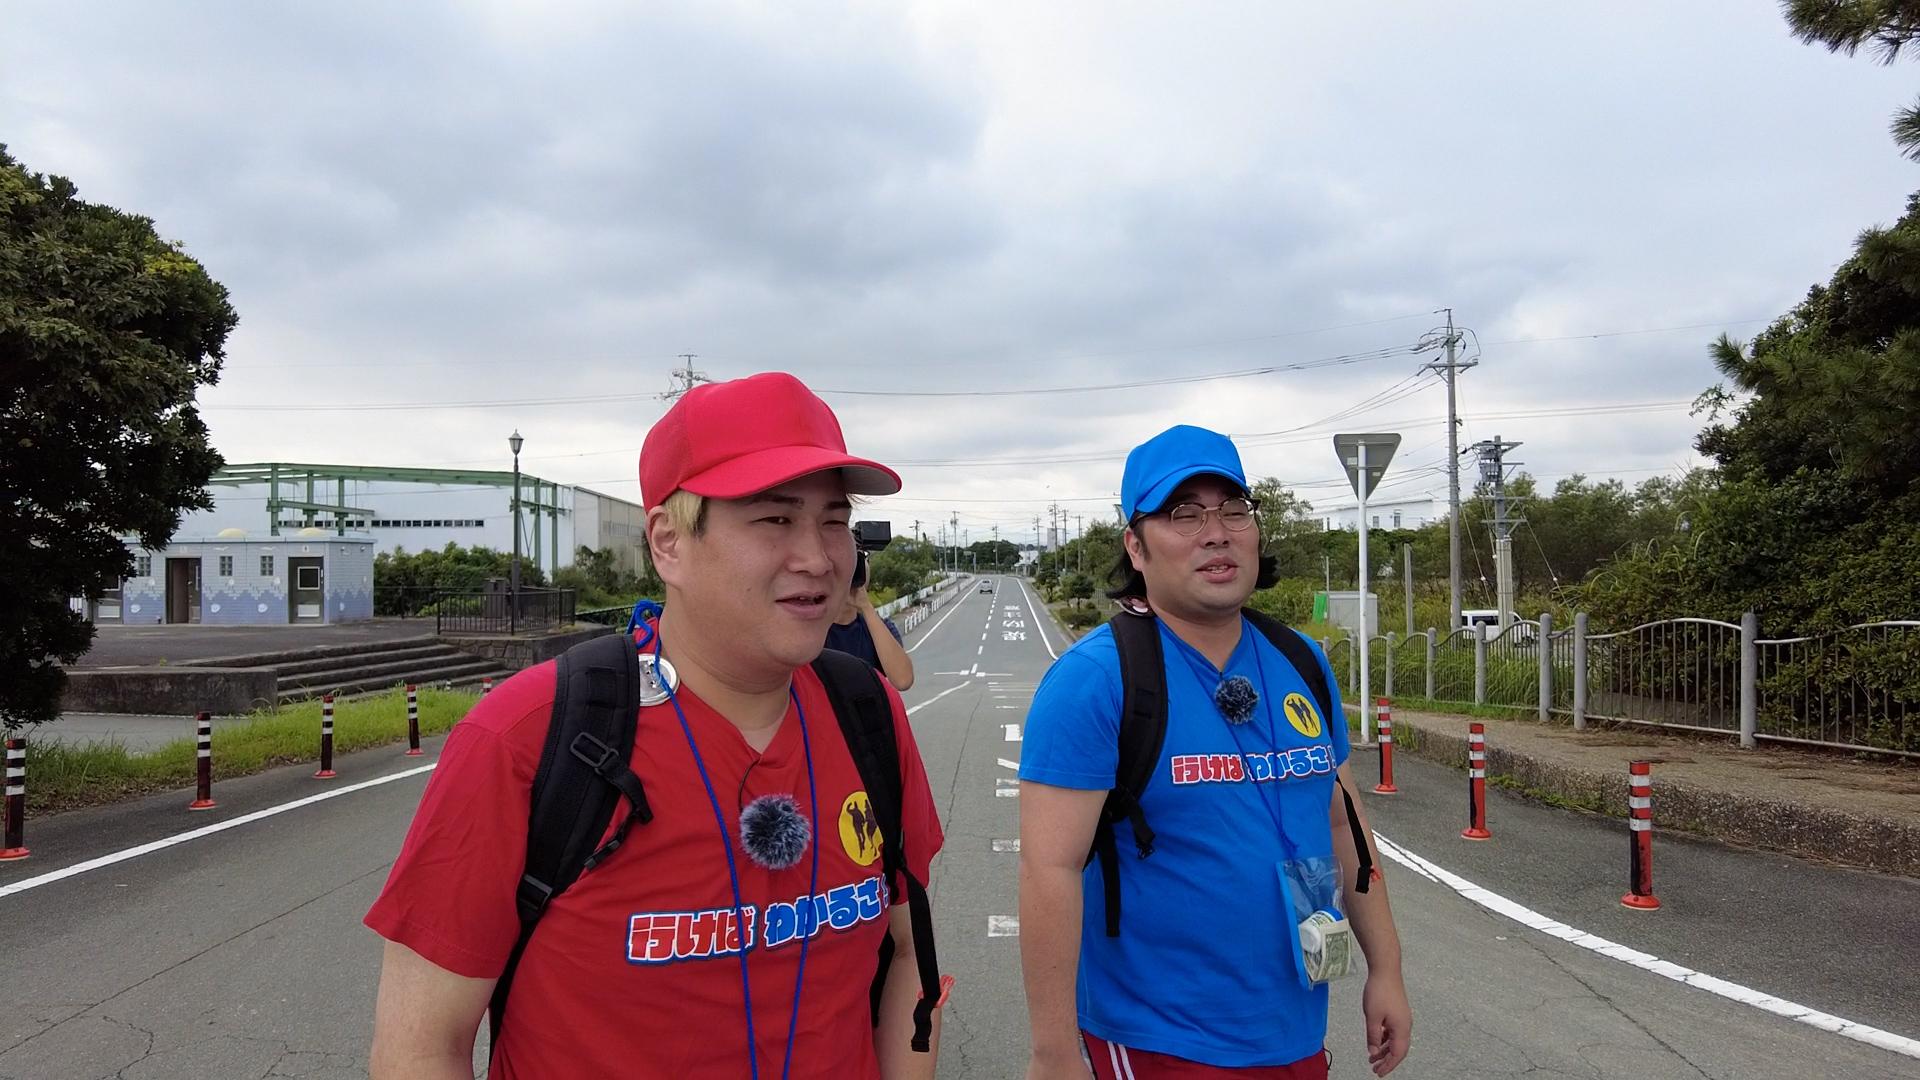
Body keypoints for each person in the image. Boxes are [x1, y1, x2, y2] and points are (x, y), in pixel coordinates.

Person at [365, 372, 946, 1079]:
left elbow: (911, 956)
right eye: (774, 518)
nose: (819, 557)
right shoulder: (528, 735)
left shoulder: (868, 714)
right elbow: (422, 1047)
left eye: (833, 520)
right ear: (668, 543)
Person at [1018, 424, 1411, 1079]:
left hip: (1294, 1034)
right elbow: (1048, 870)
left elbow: (1343, 821)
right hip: (1154, 1041)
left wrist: (1387, 969)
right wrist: (1054, 1053)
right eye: (1183, 514)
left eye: (1234, 510)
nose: (1216, 532)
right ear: (1135, 547)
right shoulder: (1098, 679)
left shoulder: (1303, 662)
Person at [824, 551, 915, 691]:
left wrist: (866, 607)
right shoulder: (815, 628)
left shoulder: (879, 628)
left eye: (857, 566)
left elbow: (903, 680)